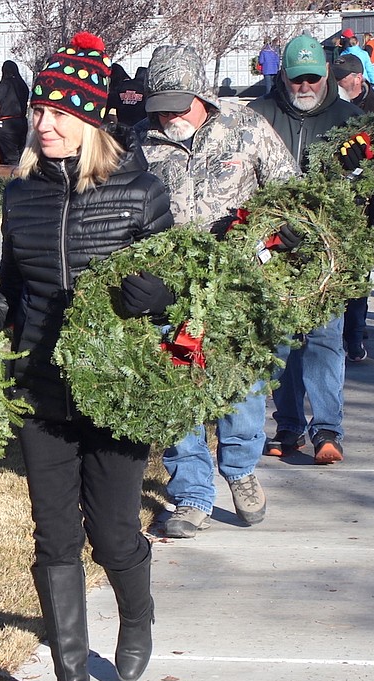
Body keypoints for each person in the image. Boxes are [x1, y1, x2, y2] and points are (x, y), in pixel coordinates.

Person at [0, 31, 172, 681]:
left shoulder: (139, 190)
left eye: (61, 114)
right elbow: (10, 289)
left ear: (92, 119)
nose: (44, 124)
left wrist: (154, 294)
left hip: (116, 393)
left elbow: (175, 291)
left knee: (115, 533)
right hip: (40, 390)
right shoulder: (23, 194)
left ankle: (138, 609)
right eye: (39, 112)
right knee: (55, 535)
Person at [136, 44, 299, 538]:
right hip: (171, 287)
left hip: (238, 285)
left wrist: (284, 230)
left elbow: (287, 189)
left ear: (200, 95)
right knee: (177, 393)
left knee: (240, 388)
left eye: (176, 106)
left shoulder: (245, 128)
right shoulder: (140, 143)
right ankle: (190, 495)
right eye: (158, 107)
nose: (167, 117)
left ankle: (242, 471)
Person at [250, 34, 366, 464]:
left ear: (326, 77)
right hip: (274, 247)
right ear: (283, 76)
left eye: (313, 79)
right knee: (279, 340)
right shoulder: (258, 117)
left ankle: (328, 431)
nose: (304, 87)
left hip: (327, 252)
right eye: (296, 79)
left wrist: (356, 180)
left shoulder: (349, 119)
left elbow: (369, 184)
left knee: (324, 339)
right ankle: (288, 426)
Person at [332, 53, 374, 362]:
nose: (337, 83)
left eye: (342, 79)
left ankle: (354, 336)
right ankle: (346, 331)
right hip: (335, 205)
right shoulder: (334, 110)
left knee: (357, 276)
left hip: (365, 206)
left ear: (357, 78)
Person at [0, 60, 29, 165]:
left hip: (7, 124)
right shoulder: (23, 85)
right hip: (22, 122)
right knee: (21, 155)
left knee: (10, 159)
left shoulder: (6, 83)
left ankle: (12, 178)